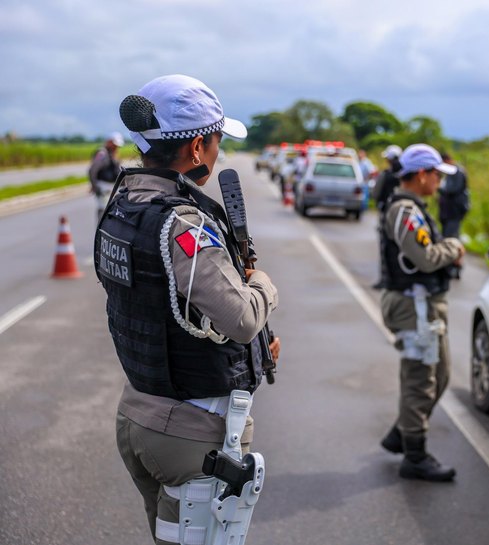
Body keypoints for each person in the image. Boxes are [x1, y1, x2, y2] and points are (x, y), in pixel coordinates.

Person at [94, 74, 280, 544]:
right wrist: (261, 285)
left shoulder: (125, 203)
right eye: (217, 140)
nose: (219, 153)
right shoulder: (182, 222)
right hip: (191, 432)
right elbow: (240, 319)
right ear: (197, 147)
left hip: (138, 412)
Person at [378, 144, 465, 482]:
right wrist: (454, 247)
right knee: (420, 381)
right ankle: (414, 455)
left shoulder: (413, 208)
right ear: (422, 174)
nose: (439, 183)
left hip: (422, 302)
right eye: (436, 176)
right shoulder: (404, 211)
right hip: (412, 304)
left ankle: (401, 434)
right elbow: (425, 258)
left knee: (440, 376)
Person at [370, 144, 403, 289]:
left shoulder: (386, 175)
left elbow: (375, 193)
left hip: (387, 215)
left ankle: (386, 279)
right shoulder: (406, 175)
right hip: (403, 216)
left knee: (386, 247)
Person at [437, 152, 470, 279]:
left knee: (452, 239)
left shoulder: (457, 172)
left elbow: (451, 189)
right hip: (447, 212)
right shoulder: (451, 173)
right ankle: (451, 265)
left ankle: (455, 266)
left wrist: (438, 187)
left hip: (454, 212)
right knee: (447, 238)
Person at [89, 131, 124, 220]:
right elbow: (93, 170)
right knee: (103, 211)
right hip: (103, 186)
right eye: (114, 144)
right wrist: (95, 186)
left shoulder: (113, 154)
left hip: (111, 187)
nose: (116, 147)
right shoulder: (102, 153)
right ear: (109, 142)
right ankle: (100, 232)